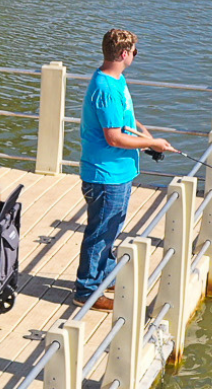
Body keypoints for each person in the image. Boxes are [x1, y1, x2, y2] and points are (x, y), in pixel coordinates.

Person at [76, 28, 177, 309]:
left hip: (117, 171)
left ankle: (105, 275)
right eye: (134, 52)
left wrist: (147, 142)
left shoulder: (116, 80)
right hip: (106, 175)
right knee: (101, 232)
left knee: (111, 228)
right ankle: (87, 291)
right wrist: (151, 142)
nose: (135, 56)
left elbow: (124, 125)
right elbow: (113, 137)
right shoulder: (107, 89)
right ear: (123, 54)